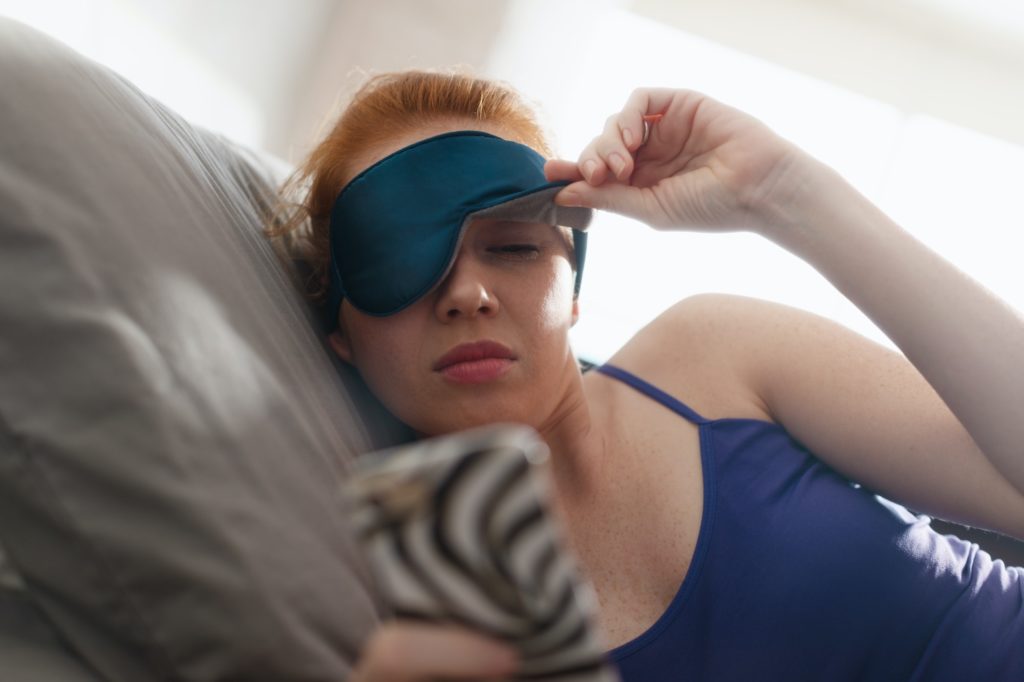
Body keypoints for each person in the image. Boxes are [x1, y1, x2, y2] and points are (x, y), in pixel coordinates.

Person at [269, 70, 1024, 680]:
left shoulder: (713, 354)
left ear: (574, 284)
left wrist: (784, 193)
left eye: (514, 248)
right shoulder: (406, 597)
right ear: (340, 332)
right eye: (400, 263)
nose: (468, 295)